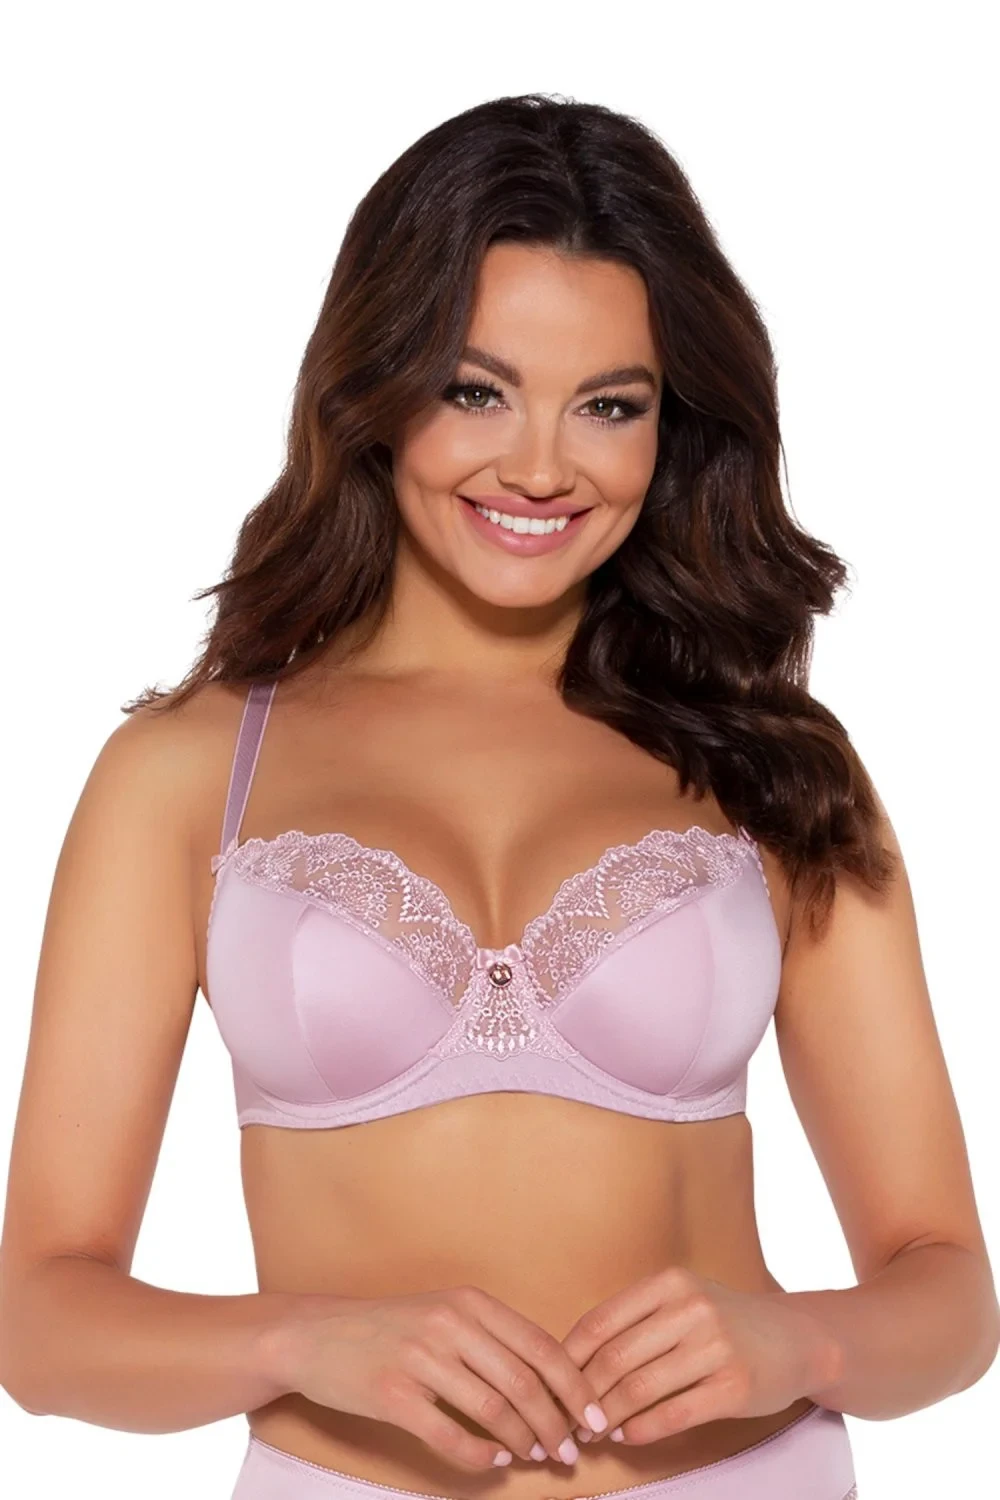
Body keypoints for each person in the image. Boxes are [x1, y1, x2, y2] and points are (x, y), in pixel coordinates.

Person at [1, 92, 996, 1500]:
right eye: (477, 390)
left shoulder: (771, 763)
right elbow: (40, 1326)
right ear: (375, 389)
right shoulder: (185, 774)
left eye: (609, 406)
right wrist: (301, 1342)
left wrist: (806, 1343)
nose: (540, 466)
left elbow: (948, 1295)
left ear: (671, 426)